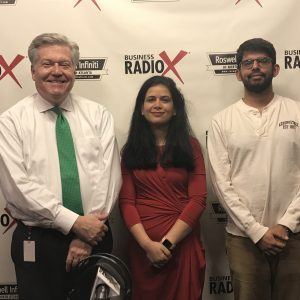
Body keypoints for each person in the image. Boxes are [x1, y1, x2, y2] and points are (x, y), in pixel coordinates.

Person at [0, 33, 122, 300]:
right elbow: (18, 186)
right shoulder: (10, 121)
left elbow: (109, 178)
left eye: (65, 64)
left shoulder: (98, 115)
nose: (57, 71)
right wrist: (74, 223)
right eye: (47, 64)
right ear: (33, 71)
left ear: (74, 70)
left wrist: (87, 233)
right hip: (39, 239)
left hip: (96, 234)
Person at [207, 38, 300, 300]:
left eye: (263, 61)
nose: (255, 67)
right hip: (243, 239)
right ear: (238, 73)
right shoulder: (222, 121)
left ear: (276, 68)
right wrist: (257, 232)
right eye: (248, 63)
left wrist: (286, 224)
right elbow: (221, 184)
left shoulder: (296, 112)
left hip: (293, 236)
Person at [119, 76, 206, 300]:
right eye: (151, 99)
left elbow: (198, 200)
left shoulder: (191, 147)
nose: (157, 105)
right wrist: (148, 246)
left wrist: (166, 244)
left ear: (175, 109)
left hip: (182, 248)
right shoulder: (130, 150)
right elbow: (127, 203)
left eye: (165, 100)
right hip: (143, 252)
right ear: (141, 108)